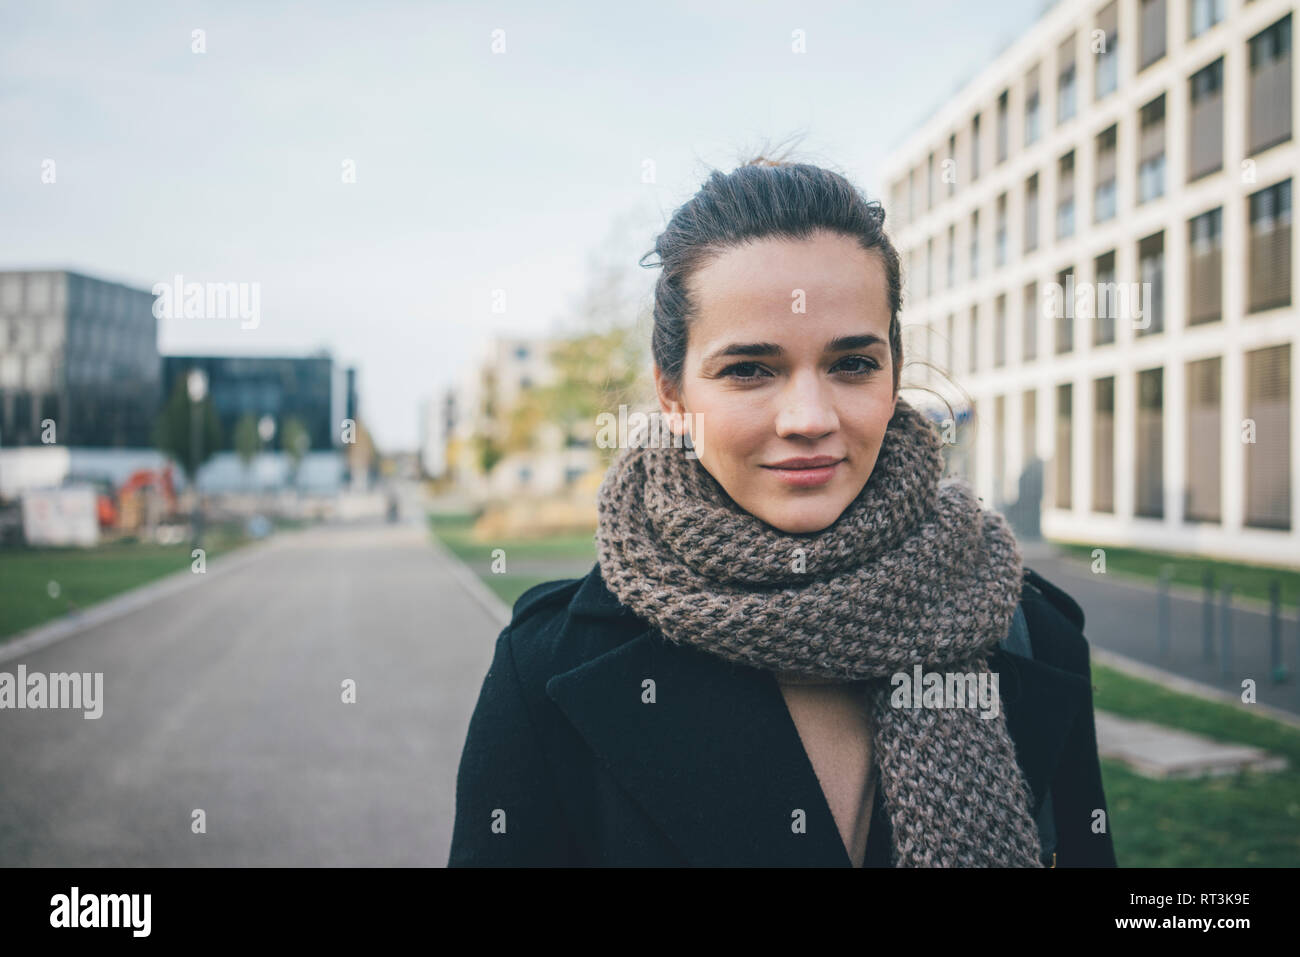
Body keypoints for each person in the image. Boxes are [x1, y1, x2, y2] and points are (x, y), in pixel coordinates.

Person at [448, 154, 1116, 868]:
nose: (807, 417)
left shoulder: (1030, 632)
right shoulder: (547, 669)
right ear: (673, 396)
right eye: (749, 370)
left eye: (852, 363)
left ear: (894, 372)